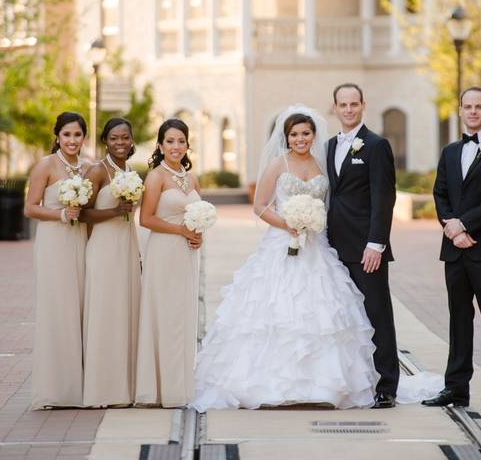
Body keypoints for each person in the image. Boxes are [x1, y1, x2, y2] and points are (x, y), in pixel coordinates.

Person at [192, 108, 379, 411]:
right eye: (294, 134)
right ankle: (272, 384)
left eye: (305, 133)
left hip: (316, 248)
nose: (300, 139)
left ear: (313, 135)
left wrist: (312, 222)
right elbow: (260, 206)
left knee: (322, 314)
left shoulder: (323, 165)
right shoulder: (278, 165)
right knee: (276, 311)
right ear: (286, 137)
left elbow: (331, 205)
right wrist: (286, 224)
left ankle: (321, 386)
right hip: (281, 245)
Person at [422, 87, 481, 411]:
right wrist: (451, 228)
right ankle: (456, 389)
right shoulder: (449, 151)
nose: (473, 111)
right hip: (455, 250)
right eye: (468, 106)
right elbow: (441, 194)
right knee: (458, 320)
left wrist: (465, 225)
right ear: (460, 110)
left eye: (479, 107)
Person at [327, 84, 399, 409]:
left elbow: (384, 197)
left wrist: (376, 243)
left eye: (354, 104)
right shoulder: (328, 146)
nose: (348, 109)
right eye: (343, 105)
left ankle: (387, 384)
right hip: (332, 248)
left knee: (376, 314)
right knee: (346, 318)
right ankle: (357, 380)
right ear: (335, 108)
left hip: (366, 248)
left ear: (363, 105)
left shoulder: (376, 145)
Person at [134, 119, 203, 407]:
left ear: (188, 145)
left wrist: (199, 234)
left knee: (183, 317)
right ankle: (159, 389)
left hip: (187, 254)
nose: (176, 146)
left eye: (181, 141)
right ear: (160, 145)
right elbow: (145, 219)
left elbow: (198, 214)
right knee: (164, 316)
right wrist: (181, 231)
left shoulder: (192, 178)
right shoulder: (156, 177)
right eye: (170, 141)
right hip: (163, 252)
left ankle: (180, 387)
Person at [25, 111, 90, 410]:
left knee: (79, 309)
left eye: (77, 135)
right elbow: (30, 208)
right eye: (67, 135)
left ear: (84, 137)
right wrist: (61, 214)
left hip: (81, 241)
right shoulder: (46, 165)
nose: (72, 140)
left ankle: (78, 386)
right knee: (57, 310)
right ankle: (54, 389)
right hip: (54, 241)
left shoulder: (88, 168)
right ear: (57, 136)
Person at [80, 118, 141, 408]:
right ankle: (102, 388)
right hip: (103, 248)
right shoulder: (97, 171)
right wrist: (116, 211)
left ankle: (124, 387)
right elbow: (81, 214)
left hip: (127, 246)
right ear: (106, 140)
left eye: (125, 138)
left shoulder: (130, 171)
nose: (121, 142)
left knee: (124, 312)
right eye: (115, 138)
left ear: (131, 140)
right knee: (105, 313)